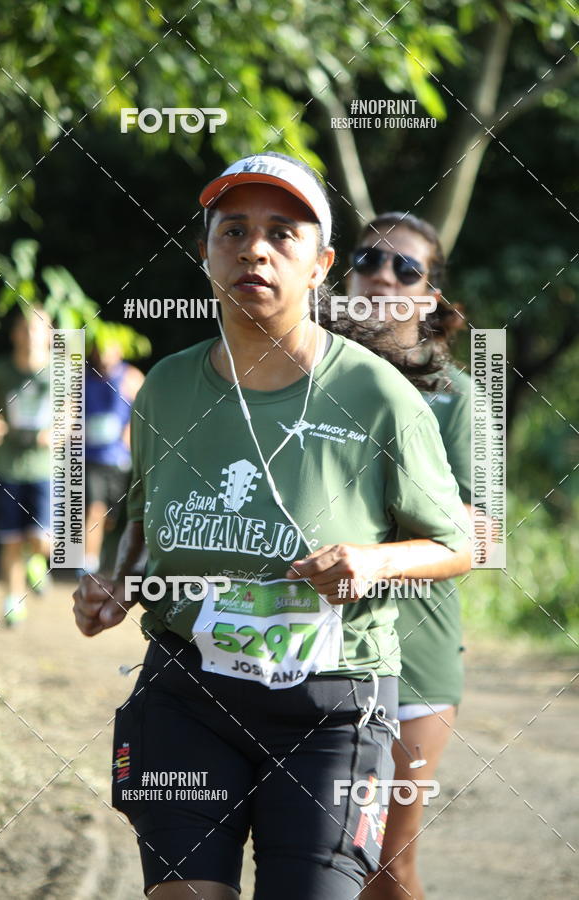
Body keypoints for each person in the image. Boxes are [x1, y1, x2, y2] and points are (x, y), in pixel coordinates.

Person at [72, 154, 471, 900]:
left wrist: (373, 561)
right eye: (234, 231)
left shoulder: (380, 395)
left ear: (320, 265)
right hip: (189, 689)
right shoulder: (166, 388)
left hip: (333, 701)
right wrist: (114, 582)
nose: (254, 249)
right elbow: (137, 517)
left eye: (282, 234)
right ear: (206, 253)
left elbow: (458, 544)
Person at [321, 212, 471, 900]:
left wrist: (373, 548)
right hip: (307, 651)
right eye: (367, 261)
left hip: (414, 655)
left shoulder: (457, 399)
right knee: (313, 857)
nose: (381, 276)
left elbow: (482, 537)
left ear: (429, 299)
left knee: (385, 862)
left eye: (405, 268)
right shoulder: (306, 375)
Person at [0, 305, 52, 625]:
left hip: (46, 469)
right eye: (24, 328)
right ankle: (13, 602)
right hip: (5, 467)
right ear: (14, 334)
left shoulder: (61, 370)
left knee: (41, 540)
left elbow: (72, 417)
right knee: (10, 538)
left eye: (37, 329)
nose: (30, 335)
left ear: (49, 335)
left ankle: (35, 560)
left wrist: (56, 433)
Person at [84, 340, 144, 574]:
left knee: (108, 518)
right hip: (89, 457)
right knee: (94, 508)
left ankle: (97, 553)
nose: (104, 352)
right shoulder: (82, 377)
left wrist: (132, 430)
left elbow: (149, 409)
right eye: (100, 347)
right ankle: (88, 565)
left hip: (118, 458)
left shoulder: (131, 377)